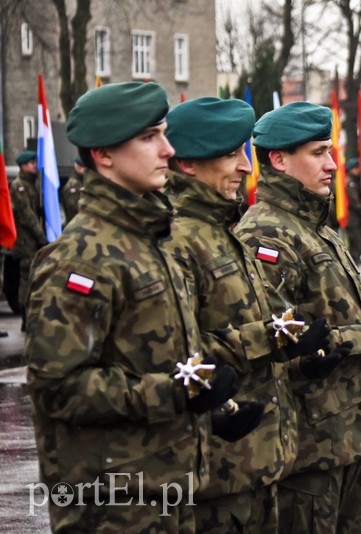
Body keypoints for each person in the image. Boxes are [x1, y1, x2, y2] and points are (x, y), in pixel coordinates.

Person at [25, 81, 241, 532]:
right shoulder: (81, 258)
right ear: (103, 154)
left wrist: (203, 404)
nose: (167, 149)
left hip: (166, 489)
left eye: (164, 133)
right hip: (114, 507)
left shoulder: (149, 241)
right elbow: (58, 388)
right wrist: (173, 393)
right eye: (149, 137)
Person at [234, 101, 361, 532]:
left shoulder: (313, 225)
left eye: (330, 151)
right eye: (318, 153)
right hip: (312, 442)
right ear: (279, 160)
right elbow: (279, 339)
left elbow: (331, 313)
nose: (332, 164)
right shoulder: (267, 233)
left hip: (348, 432)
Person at [163, 96, 350, 532]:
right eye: (231, 154)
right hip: (221, 467)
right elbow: (180, 350)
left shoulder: (219, 232)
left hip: (263, 456)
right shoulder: (182, 240)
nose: (247, 167)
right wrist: (275, 340)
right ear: (189, 164)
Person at [10, 150, 46, 326]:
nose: (34, 165)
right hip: (25, 241)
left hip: (32, 240)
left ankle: (31, 314)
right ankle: (25, 317)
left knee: (33, 277)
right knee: (27, 278)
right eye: (31, 163)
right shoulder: (19, 186)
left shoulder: (32, 184)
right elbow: (27, 216)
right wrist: (41, 237)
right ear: (23, 165)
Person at [345, 157, 361, 264]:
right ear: (351, 169)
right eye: (356, 168)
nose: (359, 170)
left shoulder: (357, 181)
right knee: (355, 245)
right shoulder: (350, 182)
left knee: (359, 245)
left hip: (357, 218)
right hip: (352, 219)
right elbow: (354, 202)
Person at [61, 155, 86, 225]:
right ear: (79, 167)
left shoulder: (81, 182)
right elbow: (73, 211)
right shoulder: (73, 186)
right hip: (76, 227)